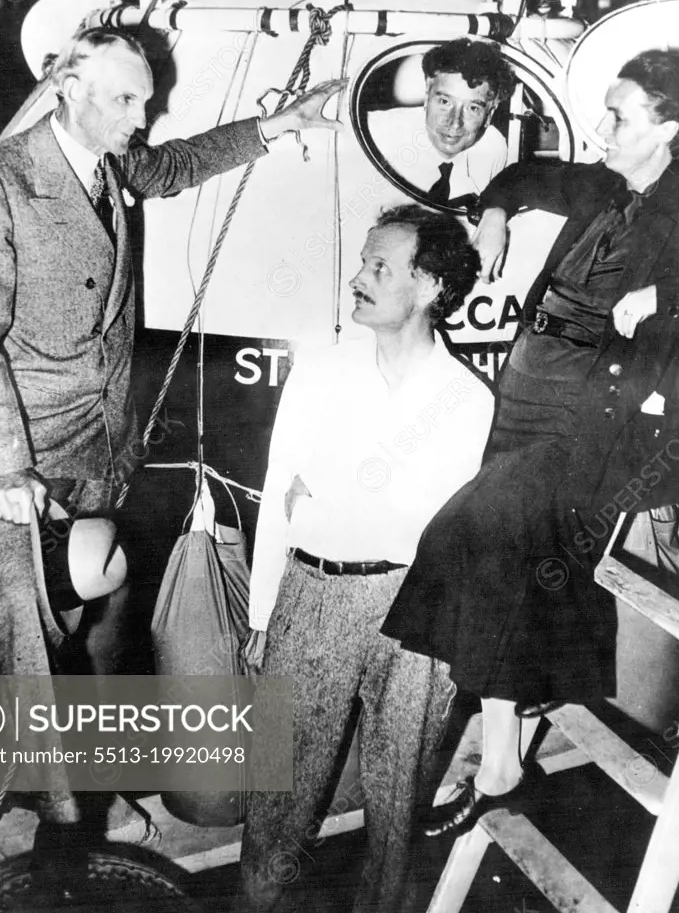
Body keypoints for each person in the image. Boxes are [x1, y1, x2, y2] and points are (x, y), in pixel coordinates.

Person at [0, 28, 343, 846]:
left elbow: (176, 165)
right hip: (23, 450)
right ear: (67, 87)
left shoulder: (113, 162)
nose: (141, 115)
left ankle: (54, 778)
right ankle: (66, 819)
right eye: (126, 99)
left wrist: (279, 125)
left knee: (99, 611)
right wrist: (5, 467)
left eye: (146, 99)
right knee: (33, 631)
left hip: (101, 438)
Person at [381, 47, 679, 836]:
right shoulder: (599, 183)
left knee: (472, 530)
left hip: (601, 416)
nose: (601, 125)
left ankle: (499, 756)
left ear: (667, 127)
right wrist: (492, 212)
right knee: (510, 554)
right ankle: (503, 752)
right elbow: (524, 176)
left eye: (619, 115)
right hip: (526, 393)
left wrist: (666, 292)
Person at [238, 204, 495, 912]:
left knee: (397, 813)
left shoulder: (466, 401)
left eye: (379, 267)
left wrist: (328, 497)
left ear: (430, 286)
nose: (357, 277)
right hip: (313, 597)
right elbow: (278, 495)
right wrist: (264, 614)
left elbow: (444, 539)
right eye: (362, 262)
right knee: (276, 805)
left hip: (417, 613)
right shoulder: (318, 374)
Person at [366, 37, 516, 208]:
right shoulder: (377, 131)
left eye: (472, 108)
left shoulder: (493, 147)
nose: (454, 123)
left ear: (489, 115)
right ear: (426, 97)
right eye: (445, 102)